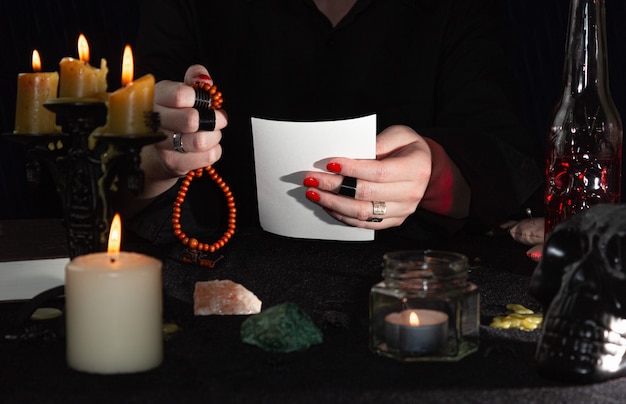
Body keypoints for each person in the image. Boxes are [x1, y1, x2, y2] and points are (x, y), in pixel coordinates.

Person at [126, 0, 544, 244]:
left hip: (413, 288)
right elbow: (114, 181)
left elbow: (503, 160)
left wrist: (435, 175)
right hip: (214, 281)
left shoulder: (455, 10)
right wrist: (150, 163)